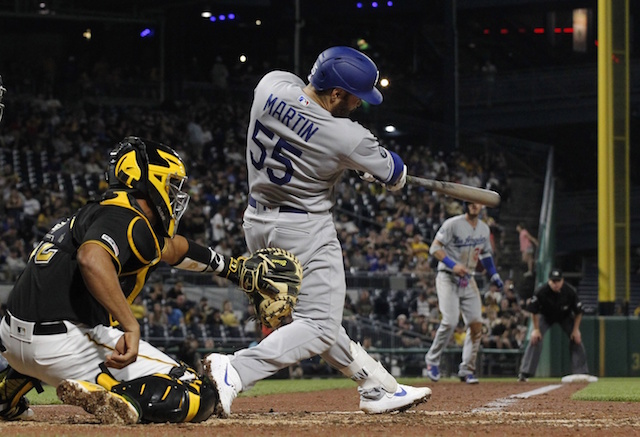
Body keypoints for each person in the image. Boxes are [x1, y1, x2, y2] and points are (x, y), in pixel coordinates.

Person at [203, 46, 431, 417]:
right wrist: (368, 167)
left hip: (257, 221)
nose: (360, 105)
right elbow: (395, 173)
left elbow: (302, 109)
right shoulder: (348, 136)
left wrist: (352, 163)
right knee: (320, 324)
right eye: (355, 98)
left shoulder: (270, 86)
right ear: (337, 93)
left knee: (312, 321)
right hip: (303, 227)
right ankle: (236, 370)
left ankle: (376, 384)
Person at [0, 137, 279, 424]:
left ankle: (6, 391)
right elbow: (91, 257)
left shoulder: (102, 213)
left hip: (13, 341)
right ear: (148, 181)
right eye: (170, 184)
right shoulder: (127, 219)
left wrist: (234, 270)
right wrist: (130, 325)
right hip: (64, 345)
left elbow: (174, 250)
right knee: (199, 394)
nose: (175, 195)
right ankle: (111, 390)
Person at [424, 202, 503, 384]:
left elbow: (485, 255)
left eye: (477, 202)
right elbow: (435, 248)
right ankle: (432, 360)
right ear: (465, 205)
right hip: (447, 276)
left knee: (476, 325)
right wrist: (453, 265)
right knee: (450, 321)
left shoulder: (484, 228)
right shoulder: (453, 223)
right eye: (471, 202)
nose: (474, 206)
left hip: (468, 279)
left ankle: (467, 369)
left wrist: (494, 275)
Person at [517, 268, 589, 381]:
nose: (555, 284)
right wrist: (536, 329)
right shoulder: (541, 291)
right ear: (549, 281)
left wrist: (576, 330)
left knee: (576, 339)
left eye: (558, 281)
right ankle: (525, 373)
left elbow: (578, 312)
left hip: (565, 317)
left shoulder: (570, 291)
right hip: (546, 317)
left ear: (562, 281)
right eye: (553, 281)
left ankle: (581, 373)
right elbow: (533, 311)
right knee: (535, 339)